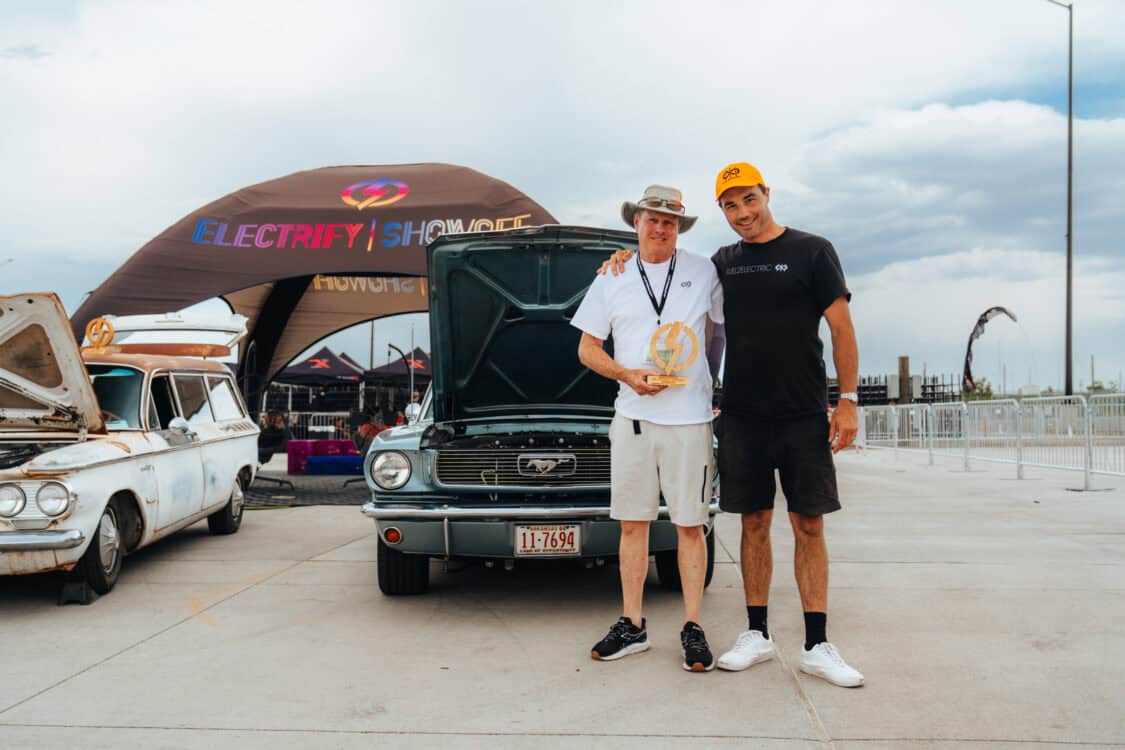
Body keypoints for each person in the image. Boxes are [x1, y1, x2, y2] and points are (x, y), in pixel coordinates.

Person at [599, 162, 863, 687]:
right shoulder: (722, 264)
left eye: (749, 199)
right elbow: (666, 274)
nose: (742, 212)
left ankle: (817, 643)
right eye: (730, 205)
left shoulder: (813, 251)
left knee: (809, 524)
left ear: (767, 194)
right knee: (753, 523)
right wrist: (624, 258)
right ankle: (757, 634)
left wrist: (848, 399)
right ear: (721, 211)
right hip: (742, 413)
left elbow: (840, 327)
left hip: (803, 410)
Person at [572, 185, 724, 672]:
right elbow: (587, 349)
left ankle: (693, 627)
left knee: (689, 526)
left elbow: (727, 329)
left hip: (690, 418)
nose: (660, 227)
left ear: (679, 227)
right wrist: (627, 374)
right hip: (633, 416)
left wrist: (723, 388)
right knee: (633, 524)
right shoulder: (611, 276)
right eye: (651, 219)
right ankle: (632, 625)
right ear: (635, 222)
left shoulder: (703, 271)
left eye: (669, 221)